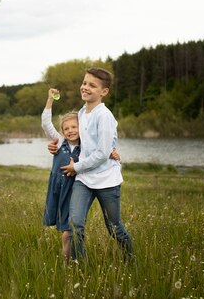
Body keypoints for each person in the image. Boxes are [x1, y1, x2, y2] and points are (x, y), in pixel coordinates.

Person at [49, 67, 134, 261]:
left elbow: (102, 153)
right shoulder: (81, 113)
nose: (85, 87)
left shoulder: (104, 116)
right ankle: (80, 264)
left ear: (103, 92)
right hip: (85, 180)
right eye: (85, 83)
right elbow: (76, 139)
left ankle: (131, 260)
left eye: (92, 85)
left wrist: (76, 167)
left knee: (114, 228)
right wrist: (55, 145)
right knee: (75, 224)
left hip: (106, 181)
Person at [41, 88, 120, 261]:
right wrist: (49, 100)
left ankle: (71, 260)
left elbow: (101, 147)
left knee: (70, 228)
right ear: (62, 131)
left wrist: (112, 152)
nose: (70, 131)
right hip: (58, 188)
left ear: (81, 128)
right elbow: (46, 123)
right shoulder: (60, 141)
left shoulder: (85, 145)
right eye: (66, 128)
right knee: (65, 229)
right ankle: (69, 260)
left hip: (75, 188)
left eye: (74, 127)